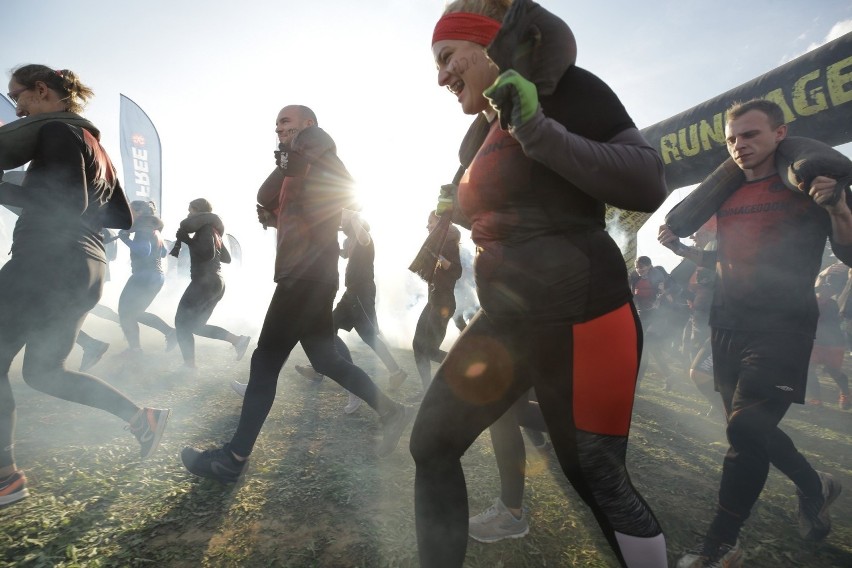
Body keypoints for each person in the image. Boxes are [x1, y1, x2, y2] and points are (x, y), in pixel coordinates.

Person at [411, 2, 669, 567]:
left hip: (584, 315)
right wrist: (454, 209)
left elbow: (648, 181)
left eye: (447, 57)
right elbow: (516, 210)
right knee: (430, 445)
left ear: (487, 44)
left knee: (596, 476)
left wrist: (536, 128)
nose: (439, 77)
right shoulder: (472, 136)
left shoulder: (568, 89)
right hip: (508, 317)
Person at [658, 98, 851, 567]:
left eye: (750, 135)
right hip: (726, 324)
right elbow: (728, 260)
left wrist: (841, 209)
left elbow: (848, 256)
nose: (740, 146)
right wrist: (681, 247)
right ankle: (814, 485)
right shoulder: (724, 194)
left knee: (745, 429)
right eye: (732, 139)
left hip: (782, 327)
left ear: (779, 134)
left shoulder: (808, 185)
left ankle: (720, 546)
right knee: (745, 427)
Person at [181, 105, 413, 483]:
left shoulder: (317, 148)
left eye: (285, 122)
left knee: (266, 360)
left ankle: (233, 458)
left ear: (307, 124)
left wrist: (304, 152)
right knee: (326, 359)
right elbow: (269, 197)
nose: (278, 129)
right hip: (309, 276)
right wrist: (278, 212)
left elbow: (344, 187)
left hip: (305, 276)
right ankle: (392, 410)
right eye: (275, 125)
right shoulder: (296, 166)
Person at [0, 64, 170, 506]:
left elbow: (65, 203)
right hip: (86, 268)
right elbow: (121, 217)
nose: (16, 107)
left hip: (47, 260)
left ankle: (3, 478)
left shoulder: (56, 132)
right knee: (43, 372)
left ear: (41, 90)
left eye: (18, 95)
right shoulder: (93, 144)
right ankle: (142, 418)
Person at [292, 210, 408, 413]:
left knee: (368, 337)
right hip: (350, 293)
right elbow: (344, 253)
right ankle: (319, 370)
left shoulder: (364, 237)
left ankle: (395, 372)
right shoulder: (350, 240)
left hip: (361, 293)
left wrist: (353, 218)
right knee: (328, 329)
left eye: (345, 219)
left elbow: (363, 238)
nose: (342, 221)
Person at [171, 198, 251, 370]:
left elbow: (207, 253)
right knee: (196, 326)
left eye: (190, 211)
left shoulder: (206, 229)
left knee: (181, 323)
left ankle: (189, 367)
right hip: (215, 282)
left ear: (198, 211)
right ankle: (238, 340)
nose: (188, 214)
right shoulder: (214, 230)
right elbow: (227, 258)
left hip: (204, 281)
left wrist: (188, 240)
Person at [410, 210, 462, 401]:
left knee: (430, 350)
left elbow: (457, 271)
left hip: (443, 305)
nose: (427, 226)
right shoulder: (436, 244)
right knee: (418, 345)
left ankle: (460, 367)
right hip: (432, 302)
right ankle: (427, 391)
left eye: (430, 222)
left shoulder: (449, 244)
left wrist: (439, 256)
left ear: (440, 224)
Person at [117, 200, 177, 354]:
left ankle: (135, 349)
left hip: (143, 276)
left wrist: (125, 239)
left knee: (125, 312)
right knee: (135, 313)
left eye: (130, 210)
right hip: (156, 277)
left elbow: (144, 251)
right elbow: (163, 253)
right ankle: (170, 333)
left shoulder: (143, 228)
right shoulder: (154, 229)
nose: (128, 213)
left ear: (139, 212)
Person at [805, 279, 851, 409]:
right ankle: (816, 400)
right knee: (809, 370)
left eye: (828, 290)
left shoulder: (833, 305)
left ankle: (846, 394)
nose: (825, 292)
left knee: (833, 371)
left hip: (833, 344)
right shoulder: (811, 301)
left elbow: (828, 322)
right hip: (816, 342)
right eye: (822, 290)